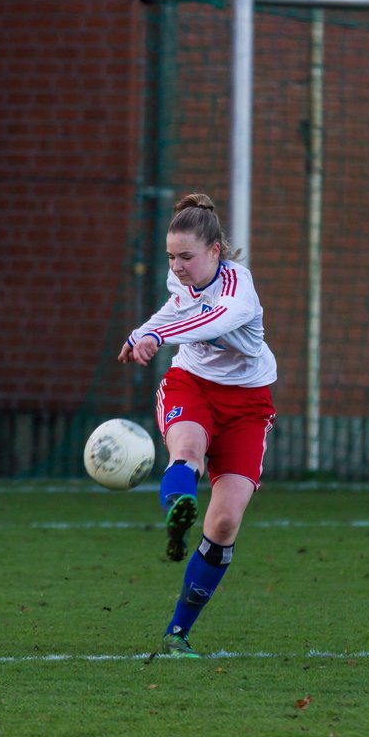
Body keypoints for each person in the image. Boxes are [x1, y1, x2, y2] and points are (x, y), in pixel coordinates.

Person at [118, 193, 277, 658]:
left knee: (225, 523)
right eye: (171, 257)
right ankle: (177, 512)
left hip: (248, 405)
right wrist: (142, 332)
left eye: (186, 257)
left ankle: (176, 634)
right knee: (186, 451)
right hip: (191, 384)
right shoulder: (181, 275)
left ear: (215, 252)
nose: (177, 266)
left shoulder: (238, 291)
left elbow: (208, 320)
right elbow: (177, 306)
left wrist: (153, 336)